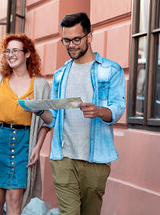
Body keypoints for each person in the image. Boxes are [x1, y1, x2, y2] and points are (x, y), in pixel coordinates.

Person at [34, 12, 126, 214]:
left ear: (89, 37)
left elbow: (118, 108)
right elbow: (54, 118)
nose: (71, 45)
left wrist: (101, 111)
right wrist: (40, 109)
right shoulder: (60, 75)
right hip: (63, 158)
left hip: (96, 160)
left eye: (76, 39)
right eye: (66, 40)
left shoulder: (111, 70)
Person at [0, 34, 51, 215]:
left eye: (16, 50)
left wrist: (37, 147)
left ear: (27, 54)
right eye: (7, 51)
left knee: (16, 200)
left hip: (25, 143)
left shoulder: (40, 85)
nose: (11, 54)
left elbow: (47, 122)